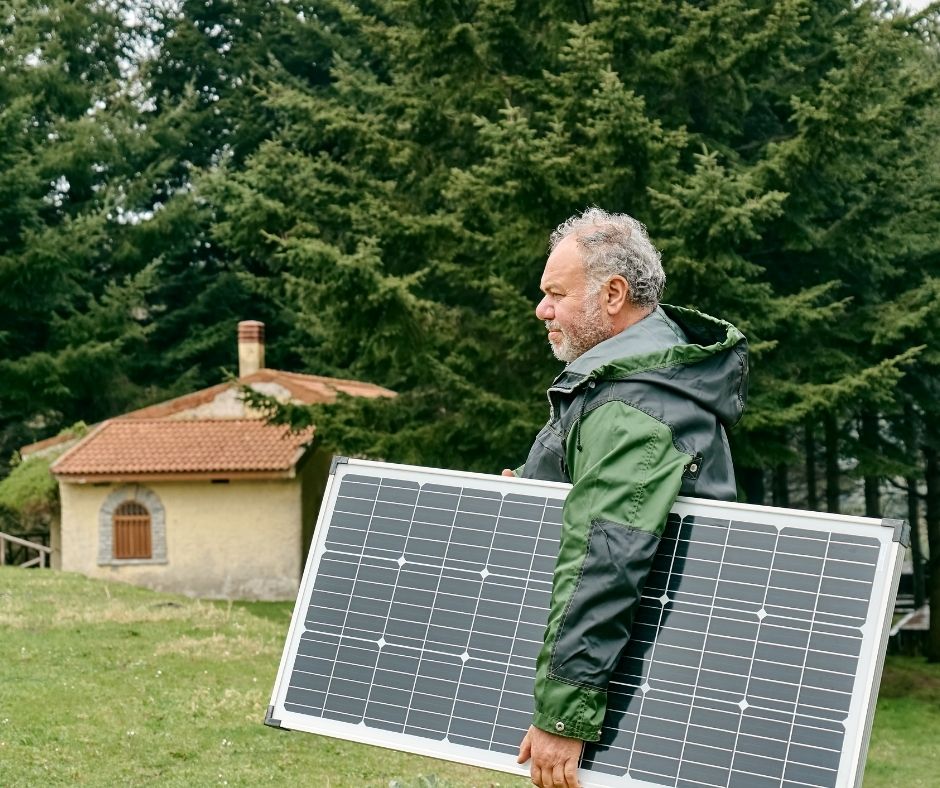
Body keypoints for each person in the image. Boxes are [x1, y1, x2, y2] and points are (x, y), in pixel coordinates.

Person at [505, 208, 748, 788]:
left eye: (556, 294)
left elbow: (605, 557)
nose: (542, 310)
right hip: (632, 677)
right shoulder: (625, 384)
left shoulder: (634, 407)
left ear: (613, 294)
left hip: (635, 692)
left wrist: (564, 714)